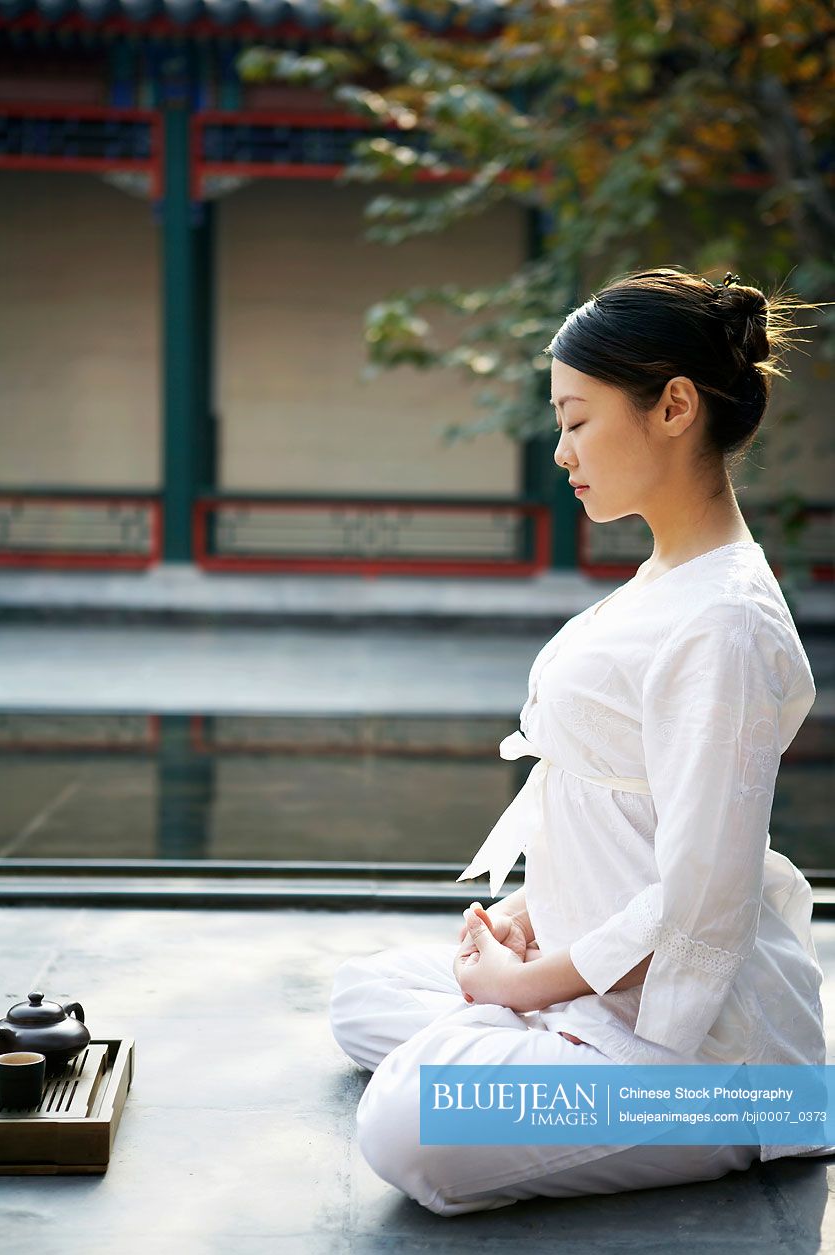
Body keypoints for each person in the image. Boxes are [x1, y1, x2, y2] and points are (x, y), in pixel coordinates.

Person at [329, 267, 835, 1216]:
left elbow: (701, 901)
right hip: (605, 988)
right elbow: (621, 811)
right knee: (362, 996)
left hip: (721, 1059)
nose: (560, 450)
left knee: (409, 1121)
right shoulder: (666, 578)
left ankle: (628, 1074)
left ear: (674, 405)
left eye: (575, 418)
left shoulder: (721, 621)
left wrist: (521, 986)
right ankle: (544, 1030)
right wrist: (538, 909)